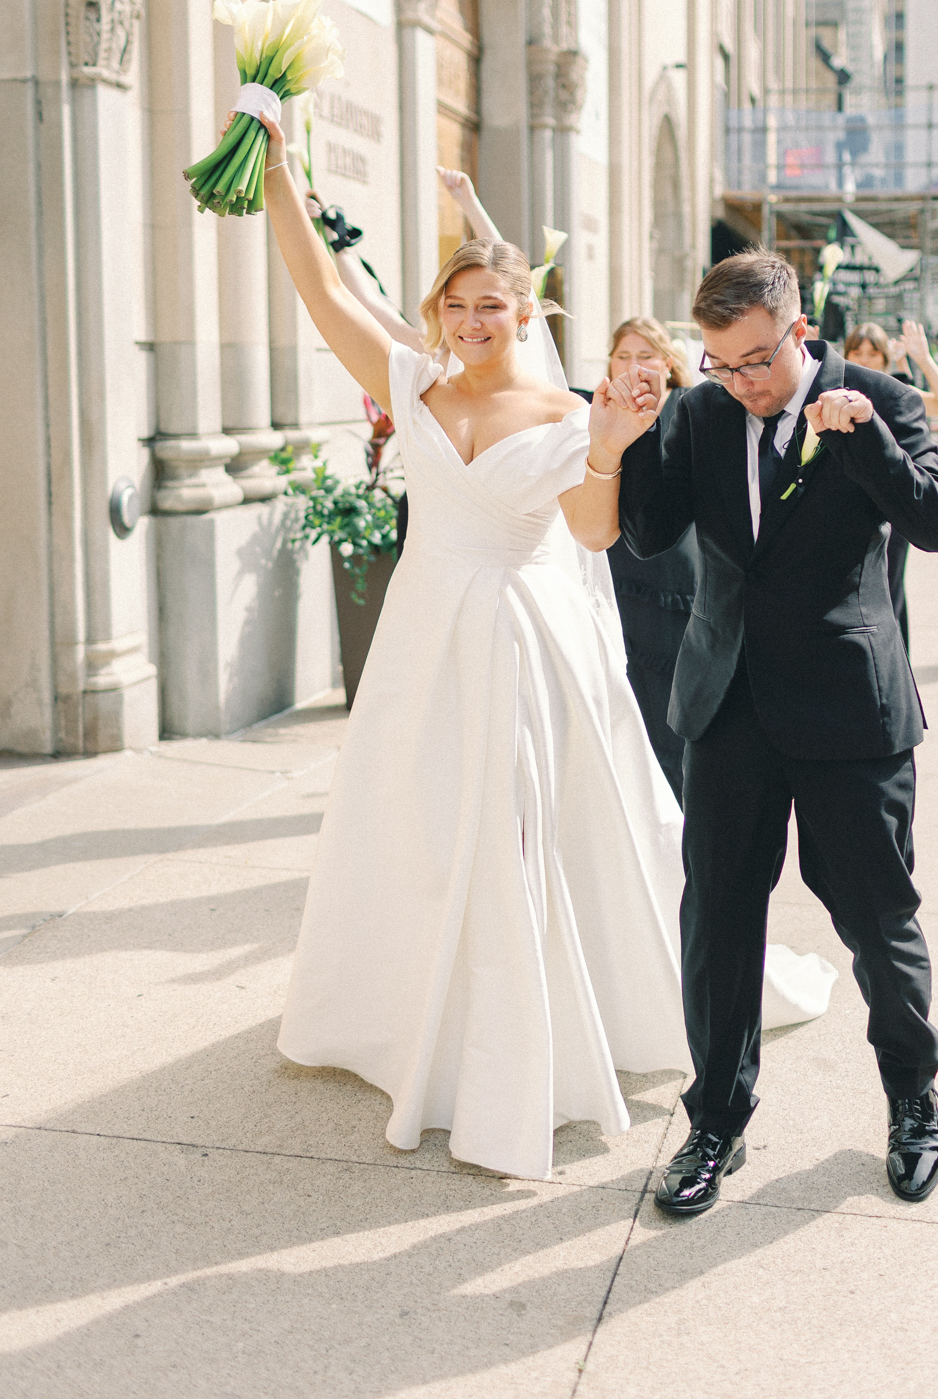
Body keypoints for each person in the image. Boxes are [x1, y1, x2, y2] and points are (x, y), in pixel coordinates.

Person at [239, 113, 833, 1181]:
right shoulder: (413, 380)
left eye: (494, 306)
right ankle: (410, 1020)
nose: (474, 321)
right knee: (417, 821)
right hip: (423, 636)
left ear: (526, 312)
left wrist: (604, 450)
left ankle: (515, 1056)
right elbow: (322, 287)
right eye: (458, 306)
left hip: (519, 635)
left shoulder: (567, 408)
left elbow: (597, 534)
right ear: (439, 313)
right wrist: (280, 165)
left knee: (508, 833)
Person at [613, 250, 938, 1215]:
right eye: (722, 365)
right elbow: (646, 532)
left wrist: (865, 446)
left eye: (757, 362)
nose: (743, 383)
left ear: (797, 330)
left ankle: (912, 1097)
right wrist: (637, 430)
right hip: (727, 706)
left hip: (851, 709)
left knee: (875, 915)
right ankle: (715, 1121)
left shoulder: (881, 400)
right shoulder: (701, 411)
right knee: (719, 919)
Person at [584, 319, 697, 803]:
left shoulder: (689, 411)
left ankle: (679, 828)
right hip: (615, 577)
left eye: (646, 356)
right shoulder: (600, 410)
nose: (634, 366)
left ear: (668, 363)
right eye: (623, 356)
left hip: (673, 582)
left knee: (671, 723)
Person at [843, 320, 938, 648]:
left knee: (887, 587)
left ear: (885, 358)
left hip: (889, 509)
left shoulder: (893, 395)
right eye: (857, 351)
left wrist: (923, 359)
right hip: (843, 508)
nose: (865, 360)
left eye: (873, 353)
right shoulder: (831, 389)